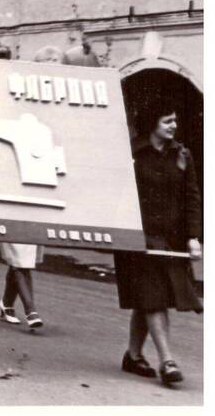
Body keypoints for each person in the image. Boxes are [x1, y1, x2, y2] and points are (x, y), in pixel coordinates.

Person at [114, 102, 202, 386]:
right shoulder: (132, 154)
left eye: (175, 120)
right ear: (153, 123)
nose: (174, 125)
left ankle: (133, 355)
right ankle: (167, 361)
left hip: (172, 240)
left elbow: (192, 198)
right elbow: (118, 194)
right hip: (140, 239)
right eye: (168, 121)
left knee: (149, 298)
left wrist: (193, 237)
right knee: (154, 297)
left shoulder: (182, 155)